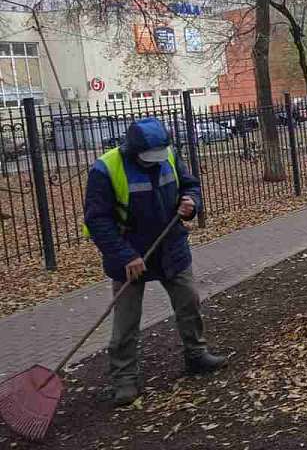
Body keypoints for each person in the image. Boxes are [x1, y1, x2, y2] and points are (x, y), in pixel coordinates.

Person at [84, 117, 226, 407]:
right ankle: (124, 378)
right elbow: (97, 221)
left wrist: (190, 203)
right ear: (133, 150)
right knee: (126, 319)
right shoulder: (106, 169)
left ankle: (196, 355)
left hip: (170, 245)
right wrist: (126, 255)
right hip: (129, 253)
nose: (156, 161)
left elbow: (190, 185)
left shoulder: (169, 154)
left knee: (188, 301)